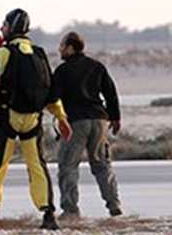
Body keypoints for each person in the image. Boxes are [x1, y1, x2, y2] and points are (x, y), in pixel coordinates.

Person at [0, 9, 72, 230]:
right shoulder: (39, 53)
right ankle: (48, 213)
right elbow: (51, 91)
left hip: (8, 116)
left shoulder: (5, 51)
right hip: (33, 119)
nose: (1, 29)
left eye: (3, 25)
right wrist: (61, 118)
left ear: (11, 28)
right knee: (37, 165)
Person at [50, 31, 122, 218]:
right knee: (102, 165)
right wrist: (115, 118)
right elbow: (110, 93)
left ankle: (70, 210)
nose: (60, 49)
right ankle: (114, 204)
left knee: (68, 166)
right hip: (99, 121)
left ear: (71, 47)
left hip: (75, 123)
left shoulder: (62, 71)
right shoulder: (96, 66)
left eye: (62, 46)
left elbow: (53, 97)